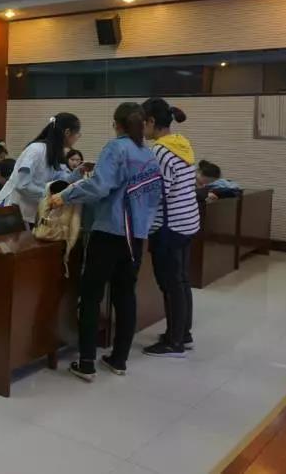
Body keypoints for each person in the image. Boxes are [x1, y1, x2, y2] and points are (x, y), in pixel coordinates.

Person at [47, 103, 163, 382]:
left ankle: (86, 363)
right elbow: (153, 196)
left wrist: (65, 196)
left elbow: (100, 187)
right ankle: (119, 359)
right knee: (125, 296)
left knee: (90, 297)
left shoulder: (116, 148)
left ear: (117, 124)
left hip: (109, 232)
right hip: (136, 236)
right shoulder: (149, 154)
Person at [142, 98, 200, 358]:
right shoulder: (181, 144)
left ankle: (174, 341)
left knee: (170, 284)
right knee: (181, 281)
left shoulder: (160, 152)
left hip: (169, 227)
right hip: (188, 222)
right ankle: (182, 333)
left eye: (143, 122)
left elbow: (158, 193)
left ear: (152, 121)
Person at [0, 113, 83, 227]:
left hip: (30, 212)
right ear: (67, 132)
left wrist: (78, 173)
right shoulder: (35, 150)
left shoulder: (54, 152)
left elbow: (61, 179)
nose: (77, 138)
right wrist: (48, 195)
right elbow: (22, 185)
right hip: (12, 211)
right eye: (77, 134)